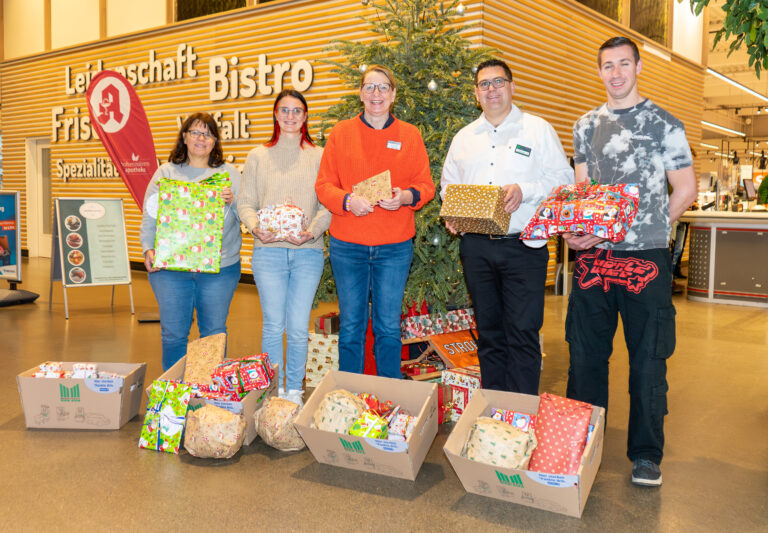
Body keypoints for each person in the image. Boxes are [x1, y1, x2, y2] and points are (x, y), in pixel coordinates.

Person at [564, 37, 697, 487]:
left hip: (647, 258)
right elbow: (584, 192)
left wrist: (650, 230)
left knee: (647, 359)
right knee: (585, 357)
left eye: (624, 63)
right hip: (594, 259)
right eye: (607, 65)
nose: (616, 72)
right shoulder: (584, 126)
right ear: (599, 71)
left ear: (638, 67)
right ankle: (581, 442)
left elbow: (685, 191)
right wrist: (576, 228)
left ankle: (645, 455)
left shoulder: (665, 124)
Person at [441, 58, 573, 394]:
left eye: (498, 82)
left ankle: (521, 416)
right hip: (477, 247)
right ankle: (495, 412)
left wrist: (523, 190)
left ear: (512, 87)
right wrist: (452, 213)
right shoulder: (464, 138)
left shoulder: (537, 129)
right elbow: (448, 186)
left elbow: (563, 179)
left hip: (523, 247)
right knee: (489, 334)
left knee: (523, 334)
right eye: (484, 84)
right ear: (476, 94)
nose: (492, 89)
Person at [315, 64, 435, 379]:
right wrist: (346, 201)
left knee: (387, 326)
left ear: (393, 94)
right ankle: (349, 396)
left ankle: (388, 396)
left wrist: (405, 197)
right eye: (369, 87)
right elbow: (324, 185)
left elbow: (426, 186)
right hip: (348, 246)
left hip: (394, 247)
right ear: (361, 94)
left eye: (383, 87)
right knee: (352, 325)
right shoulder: (342, 133)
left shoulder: (410, 135)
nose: (376, 93)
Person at [237, 89, 330, 406]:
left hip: (308, 253)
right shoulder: (258, 156)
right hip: (268, 253)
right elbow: (245, 203)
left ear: (305, 116)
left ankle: (294, 392)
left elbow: (327, 206)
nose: (290, 116)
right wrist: (255, 228)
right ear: (275, 115)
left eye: (297, 111)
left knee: (299, 328)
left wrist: (312, 230)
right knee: (274, 326)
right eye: (284, 110)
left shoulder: (319, 156)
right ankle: (272, 391)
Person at [140, 112, 242, 370]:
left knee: (213, 335)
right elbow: (150, 215)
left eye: (207, 134)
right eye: (195, 132)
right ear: (184, 137)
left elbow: (247, 213)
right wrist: (148, 249)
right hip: (171, 270)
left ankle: (207, 399)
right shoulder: (166, 172)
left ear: (215, 141)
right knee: (174, 335)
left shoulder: (230, 174)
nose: (201, 138)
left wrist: (234, 201)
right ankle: (174, 398)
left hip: (220, 268)